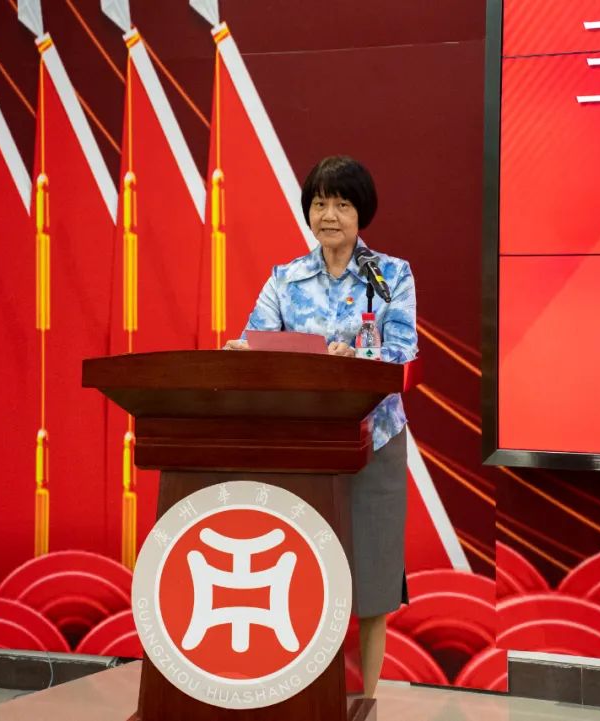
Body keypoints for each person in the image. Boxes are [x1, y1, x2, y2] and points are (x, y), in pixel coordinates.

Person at [224, 155, 416, 698]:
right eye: (320, 203)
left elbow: (403, 352)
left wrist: (356, 358)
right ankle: (298, 696)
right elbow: (258, 342)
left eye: (342, 204)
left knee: (371, 582)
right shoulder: (285, 279)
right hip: (300, 445)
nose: (329, 215)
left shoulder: (390, 276)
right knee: (299, 573)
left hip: (372, 441)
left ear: (362, 212)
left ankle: (365, 701)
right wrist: (244, 353)